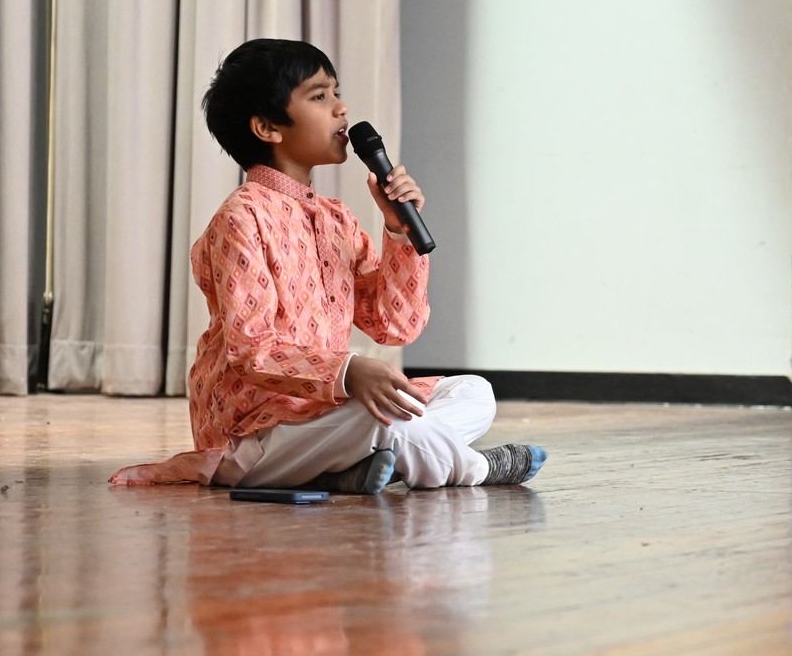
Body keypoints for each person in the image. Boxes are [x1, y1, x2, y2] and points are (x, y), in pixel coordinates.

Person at [109, 39, 547, 493]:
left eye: (336, 92)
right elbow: (250, 349)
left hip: (324, 415)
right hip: (257, 435)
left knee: (474, 392)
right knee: (391, 423)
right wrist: (347, 372)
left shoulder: (337, 218)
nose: (341, 108)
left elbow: (394, 327)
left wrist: (398, 231)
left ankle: (352, 470)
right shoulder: (241, 218)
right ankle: (477, 469)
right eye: (320, 96)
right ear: (266, 127)